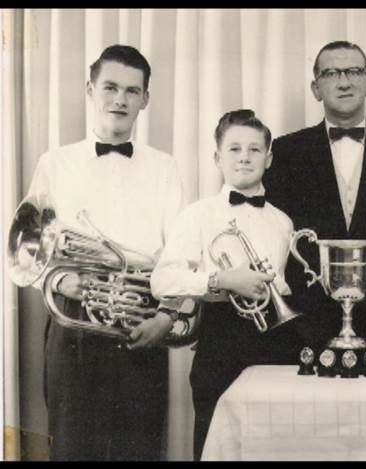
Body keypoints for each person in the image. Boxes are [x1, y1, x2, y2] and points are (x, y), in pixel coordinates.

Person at [14, 45, 184, 460]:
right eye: (110, 87)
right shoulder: (54, 163)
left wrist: (167, 317)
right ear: (90, 90)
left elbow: (180, 253)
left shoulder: (165, 167)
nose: (120, 99)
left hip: (141, 319)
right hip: (72, 322)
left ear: (145, 99)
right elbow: (29, 249)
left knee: (140, 448)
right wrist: (60, 279)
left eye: (132, 90)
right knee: (73, 448)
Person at [264, 40, 366, 357]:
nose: (344, 81)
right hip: (304, 326)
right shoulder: (284, 153)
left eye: (354, 71)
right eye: (331, 73)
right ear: (315, 88)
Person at [151, 109, 298, 461]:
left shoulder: (283, 221)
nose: (245, 157)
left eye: (254, 149)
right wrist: (222, 279)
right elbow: (163, 281)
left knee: (274, 449)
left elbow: (284, 285)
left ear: (269, 157)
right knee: (217, 446)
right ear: (217, 157)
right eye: (234, 149)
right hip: (221, 342)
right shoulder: (197, 215)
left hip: (276, 343)